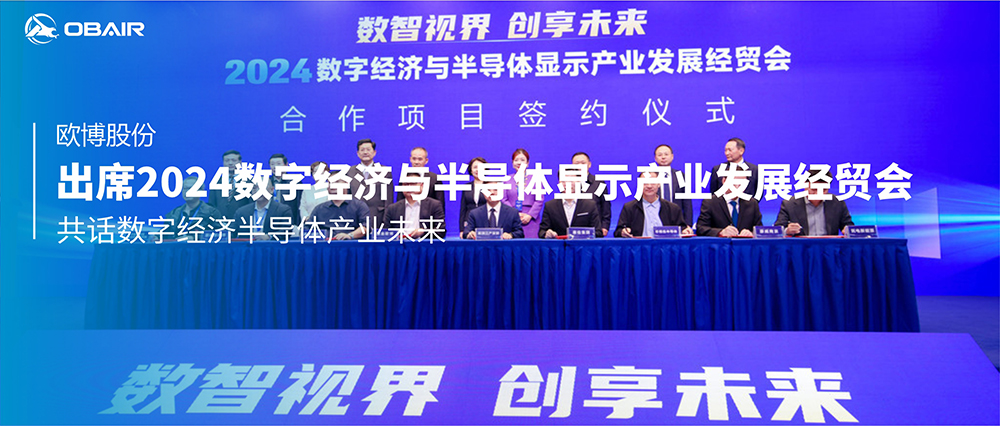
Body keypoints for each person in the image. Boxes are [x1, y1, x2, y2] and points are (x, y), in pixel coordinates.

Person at [774, 169, 855, 236]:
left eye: (823, 190)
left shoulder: (837, 203)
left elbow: (849, 227)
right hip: (801, 247)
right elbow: (777, 231)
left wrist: (847, 231)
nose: (818, 194)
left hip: (829, 247)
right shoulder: (789, 204)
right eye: (814, 189)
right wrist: (787, 231)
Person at [615, 171, 693, 238]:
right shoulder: (629, 207)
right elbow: (618, 232)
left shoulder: (672, 208)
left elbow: (681, 229)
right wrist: (623, 232)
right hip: (639, 248)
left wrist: (685, 231)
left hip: (665, 247)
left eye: (652, 182)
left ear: (659, 184)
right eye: (645, 183)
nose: (649, 186)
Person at [383, 173, 446, 238]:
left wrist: (423, 232)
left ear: (421, 186)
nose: (409, 187)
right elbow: (385, 233)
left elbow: (441, 231)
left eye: (413, 184)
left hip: (424, 243)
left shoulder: (434, 205)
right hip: (400, 243)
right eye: (406, 184)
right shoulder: (392, 208)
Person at [696, 176, 762, 237]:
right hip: (720, 245)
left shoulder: (752, 203)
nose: (738, 186)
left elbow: (760, 230)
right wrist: (720, 232)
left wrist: (752, 233)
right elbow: (701, 228)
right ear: (724, 181)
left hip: (744, 245)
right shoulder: (710, 202)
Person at [501, 148, 544, 239]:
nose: (519, 163)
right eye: (516, 160)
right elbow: (504, 199)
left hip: (531, 219)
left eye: (522, 160)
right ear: (512, 163)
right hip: (511, 217)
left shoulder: (536, 179)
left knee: (531, 245)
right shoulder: (506, 179)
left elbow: (539, 200)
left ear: (527, 163)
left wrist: (529, 215)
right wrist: (514, 214)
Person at [347, 138, 393, 221]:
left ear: (374, 152)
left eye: (368, 149)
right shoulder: (350, 171)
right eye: (362, 150)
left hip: (378, 216)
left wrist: (386, 219)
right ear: (358, 153)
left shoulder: (384, 171)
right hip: (355, 216)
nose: (365, 152)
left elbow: (388, 199)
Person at [306, 182, 370, 240]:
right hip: (325, 245)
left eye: (336, 182)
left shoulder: (359, 206)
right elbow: (306, 230)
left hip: (352, 245)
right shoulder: (319, 209)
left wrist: (350, 235)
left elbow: (365, 227)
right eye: (330, 183)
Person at [652, 144, 694, 227]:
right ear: (655, 158)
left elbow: (687, 202)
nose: (663, 157)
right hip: (655, 219)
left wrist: (688, 224)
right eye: (660, 155)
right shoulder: (650, 176)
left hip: (677, 219)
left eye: (666, 154)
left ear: (672, 156)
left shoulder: (680, 175)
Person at [571, 151, 612, 237]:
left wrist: (605, 226)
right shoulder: (567, 182)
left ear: (589, 164)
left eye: (583, 163)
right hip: (573, 230)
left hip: (595, 229)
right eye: (576, 163)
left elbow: (605, 206)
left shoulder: (599, 182)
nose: (580, 166)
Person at [207, 149, 251, 219]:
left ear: (240, 162)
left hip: (241, 220)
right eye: (227, 161)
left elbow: (251, 205)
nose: (230, 163)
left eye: (234, 160)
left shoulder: (248, 182)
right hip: (220, 221)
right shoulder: (216, 181)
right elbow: (211, 204)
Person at [407, 147, 447, 213]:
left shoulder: (435, 179)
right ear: (410, 159)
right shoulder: (404, 177)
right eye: (414, 159)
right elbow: (400, 203)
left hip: (429, 216)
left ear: (426, 160)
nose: (416, 162)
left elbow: (440, 204)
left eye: (420, 159)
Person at [268, 153, 301, 225]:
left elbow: (299, 205)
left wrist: (297, 224)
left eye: (278, 164)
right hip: (269, 220)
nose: (275, 167)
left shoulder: (295, 182)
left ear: (286, 165)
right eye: (272, 164)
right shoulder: (266, 182)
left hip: (289, 220)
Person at [459, 157, 489, 232]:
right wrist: (462, 229)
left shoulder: (490, 185)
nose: (477, 170)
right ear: (471, 170)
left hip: (486, 222)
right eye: (475, 167)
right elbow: (463, 209)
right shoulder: (466, 187)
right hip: (469, 222)